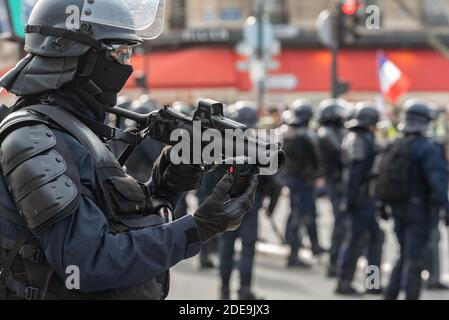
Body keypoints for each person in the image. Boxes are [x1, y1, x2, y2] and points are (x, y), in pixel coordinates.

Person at [0, 0, 257, 300]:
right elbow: (86, 265)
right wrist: (197, 228)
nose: (126, 66)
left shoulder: (73, 129)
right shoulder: (33, 137)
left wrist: (166, 186)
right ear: (75, 54)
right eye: (119, 53)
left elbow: (117, 227)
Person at [384, 100, 448, 300]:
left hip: (398, 206)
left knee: (403, 254)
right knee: (414, 259)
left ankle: (389, 295)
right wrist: (446, 207)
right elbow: (437, 183)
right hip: (419, 210)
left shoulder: (396, 144)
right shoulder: (428, 148)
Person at [336, 102, 384, 295]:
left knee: (374, 239)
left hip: (364, 198)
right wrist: (350, 201)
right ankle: (344, 282)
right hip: (360, 200)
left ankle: (372, 283)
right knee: (355, 241)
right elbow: (353, 175)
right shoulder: (358, 140)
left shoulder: (359, 138)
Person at [218, 101, 264, 300]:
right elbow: (270, 178)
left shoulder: (218, 145)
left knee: (226, 247)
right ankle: (244, 290)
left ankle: (224, 290)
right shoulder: (259, 147)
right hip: (250, 205)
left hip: (224, 204)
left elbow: (208, 178)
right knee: (247, 248)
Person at [282, 100, 324, 268]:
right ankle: (294, 254)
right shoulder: (305, 135)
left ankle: (311, 247)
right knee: (300, 217)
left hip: (294, 180)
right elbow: (314, 160)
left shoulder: (288, 133)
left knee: (299, 214)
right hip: (304, 181)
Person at [316, 99, 348, 278]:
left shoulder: (333, 132)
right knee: (341, 225)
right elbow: (341, 153)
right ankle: (334, 264)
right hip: (336, 183)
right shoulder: (326, 134)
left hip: (337, 182)